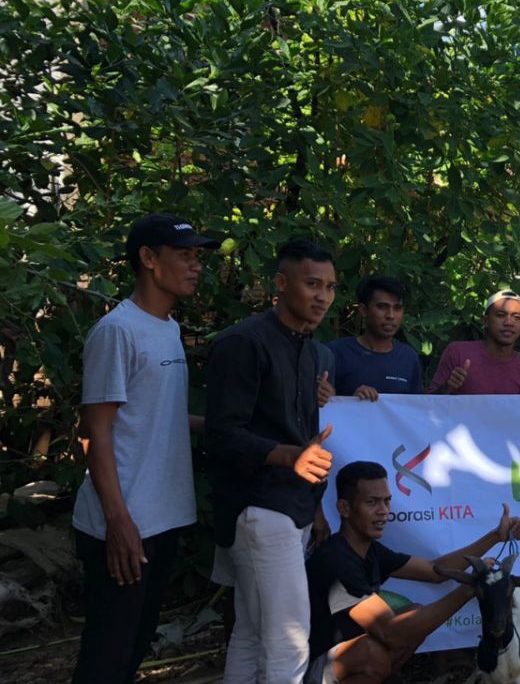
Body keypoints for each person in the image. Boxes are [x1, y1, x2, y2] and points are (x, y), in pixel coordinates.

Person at [71, 213, 218, 684]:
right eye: (184, 256)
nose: (195, 266)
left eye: (198, 257)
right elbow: (96, 432)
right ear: (148, 259)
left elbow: (161, 418)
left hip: (163, 515)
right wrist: (118, 522)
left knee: (134, 647)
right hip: (124, 521)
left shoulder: (168, 329)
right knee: (106, 655)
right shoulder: (118, 331)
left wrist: (234, 431)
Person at [205, 239, 338, 684]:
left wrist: (316, 505)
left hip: (294, 508)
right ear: (281, 284)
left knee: (251, 631)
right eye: (312, 284)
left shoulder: (316, 352)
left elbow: (305, 434)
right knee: (290, 639)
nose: (322, 296)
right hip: (258, 508)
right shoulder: (243, 343)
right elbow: (222, 433)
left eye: (331, 287)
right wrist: (288, 456)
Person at [305, 461, 520, 683]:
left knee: (414, 615)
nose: (383, 511)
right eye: (372, 502)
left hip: (340, 656)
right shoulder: (335, 559)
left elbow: (435, 571)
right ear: (344, 508)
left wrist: (495, 536)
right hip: (308, 667)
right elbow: (393, 633)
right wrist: (468, 589)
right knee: (375, 653)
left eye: (386, 501)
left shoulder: (369, 550)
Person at [327, 276, 423, 400]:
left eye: (397, 308)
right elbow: (319, 404)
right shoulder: (334, 353)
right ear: (363, 310)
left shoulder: (408, 358)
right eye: (382, 307)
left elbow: (417, 410)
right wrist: (351, 402)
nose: (391, 315)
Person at [428, 289, 520, 395]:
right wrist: (448, 386)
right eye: (501, 315)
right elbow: (428, 404)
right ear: (485, 321)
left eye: (516, 317)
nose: (509, 322)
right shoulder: (458, 352)